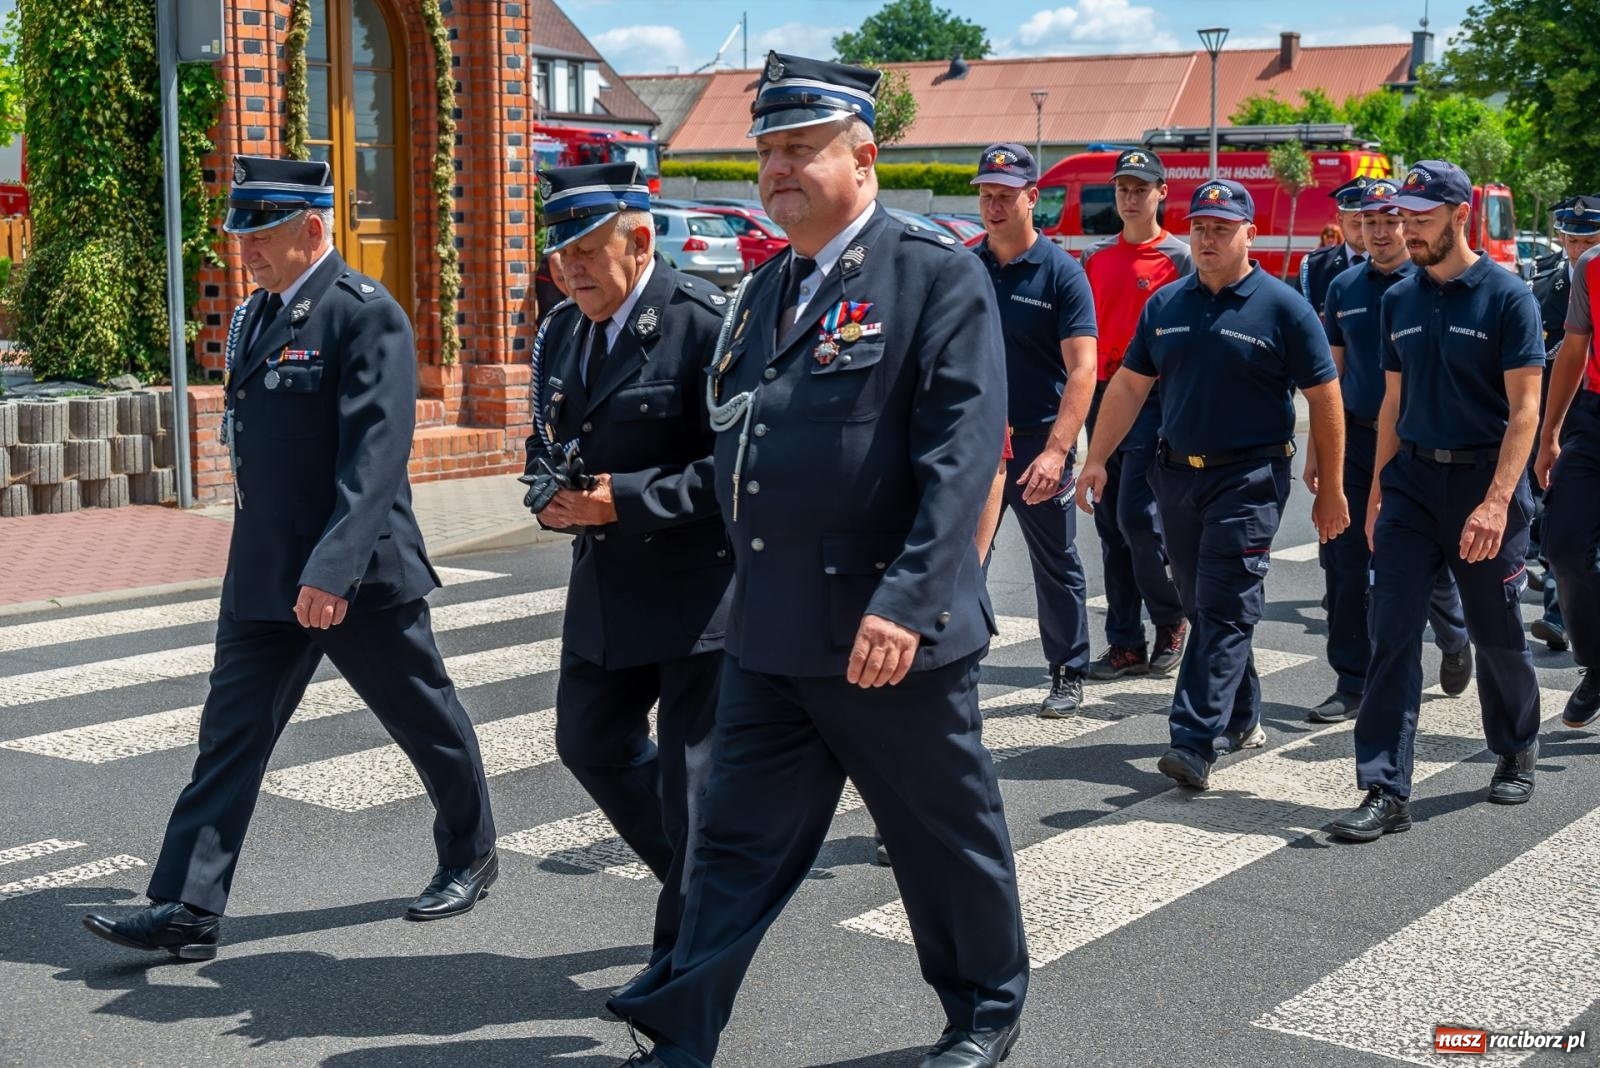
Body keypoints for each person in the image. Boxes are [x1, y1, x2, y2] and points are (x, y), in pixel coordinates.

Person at [609, 52, 1027, 1068]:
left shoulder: (934, 274)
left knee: (939, 840)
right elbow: (739, 451)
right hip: (770, 629)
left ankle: (982, 1010)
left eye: (799, 148)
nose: (777, 169)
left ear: (864, 154)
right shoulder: (760, 295)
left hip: (887, 638)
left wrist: (913, 598)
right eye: (766, 152)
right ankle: (679, 1029)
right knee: (731, 845)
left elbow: (961, 454)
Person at [83, 157, 498, 959]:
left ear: (312, 229)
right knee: (230, 735)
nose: (246, 252)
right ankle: (186, 908)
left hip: (354, 572)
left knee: (423, 716)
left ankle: (470, 851)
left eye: (262, 235)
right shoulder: (255, 315)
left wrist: (331, 570)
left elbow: (375, 458)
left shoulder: (363, 314)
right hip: (266, 569)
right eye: (240, 235)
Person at [523, 162, 735, 971]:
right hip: (608, 590)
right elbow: (548, 443)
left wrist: (630, 499)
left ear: (640, 240)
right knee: (588, 742)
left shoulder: (703, 324)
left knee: (690, 792)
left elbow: (742, 464)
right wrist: (548, 499)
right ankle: (706, 886)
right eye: (560, 254)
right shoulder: (567, 330)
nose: (568, 269)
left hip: (694, 593)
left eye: (584, 249)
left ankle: (679, 965)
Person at [1077, 178, 1349, 791]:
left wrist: (1329, 487)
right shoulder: (1167, 304)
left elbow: (1325, 397)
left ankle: (1194, 739)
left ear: (1248, 234)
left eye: (1222, 229)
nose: (1207, 238)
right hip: (1176, 476)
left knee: (1226, 608)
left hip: (1249, 479)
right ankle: (1244, 713)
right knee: (1206, 608)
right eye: (1200, 227)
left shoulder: (1283, 307)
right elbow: (1127, 386)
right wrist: (1096, 458)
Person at [1332, 160, 1546, 842]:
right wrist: (1375, 495)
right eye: (1401, 216)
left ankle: (1514, 748)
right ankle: (1384, 788)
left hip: (1484, 483)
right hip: (1411, 486)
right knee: (1391, 633)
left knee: (1496, 631)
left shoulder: (1507, 297)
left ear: (1459, 215)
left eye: (1420, 218)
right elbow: (1392, 404)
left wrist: (1496, 502)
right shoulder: (1400, 300)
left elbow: (1525, 411)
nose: (1404, 229)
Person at [1304, 178, 1473, 723]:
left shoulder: (1429, 286)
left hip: (1416, 442)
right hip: (1355, 439)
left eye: (1389, 220)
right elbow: (1331, 374)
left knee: (1429, 567)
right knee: (1344, 560)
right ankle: (1352, 680)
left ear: (1408, 225)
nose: (1378, 230)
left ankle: (1453, 638)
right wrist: (1318, 450)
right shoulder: (1343, 288)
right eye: (1369, 220)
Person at [971, 141, 1098, 716]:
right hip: (974, 443)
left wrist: (1056, 451)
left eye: (1005, 195)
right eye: (986, 195)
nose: (993, 206)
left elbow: (1083, 369)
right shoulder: (964, 268)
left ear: (1031, 197)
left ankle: (1068, 670)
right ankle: (959, 664)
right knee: (963, 557)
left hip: (1037, 442)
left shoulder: (1061, 274)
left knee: (1056, 560)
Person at [1080, 148, 1190, 680]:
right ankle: (1124, 641)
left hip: (1154, 399)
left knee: (1138, 520)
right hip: (1103, 397)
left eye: (1140, 189)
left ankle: (1171, 619)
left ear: (1160, 193)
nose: (1130, 197)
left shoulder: (1180, 257)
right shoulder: (1097, 258)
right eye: (1123, 188)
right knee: (1109, 525)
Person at [1535, 194, 1600, 732]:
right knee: (1562, 545)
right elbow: (1574, 350)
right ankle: (1597, 666)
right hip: (1593, 420)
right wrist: (1550, 434)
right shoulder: (1590, 268)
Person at [1301, 177, 1372, 318]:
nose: (1363, 231)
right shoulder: (1315, 266)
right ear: (1340, 220)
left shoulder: (1393, 263)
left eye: (1369, 223)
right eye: (1356, 224)